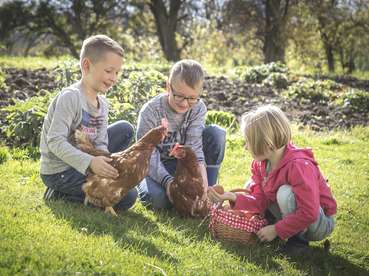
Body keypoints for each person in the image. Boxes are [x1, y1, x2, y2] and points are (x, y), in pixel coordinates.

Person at [208, 105, 337, 255]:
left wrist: (277, 230)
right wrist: (233, 197)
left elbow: (309, 212)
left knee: (285, 193)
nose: (245, 147)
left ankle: (299, 241)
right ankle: (271, 226)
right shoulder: (261, 164)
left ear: (268, 145)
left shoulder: (299, 166)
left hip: (318, 222)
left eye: (248, 142)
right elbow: (260, 200)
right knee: (251, 185)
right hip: (298, 214)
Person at [40, 34, 137, 211]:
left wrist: (105, 166)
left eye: (117, 73)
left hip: (84, 158)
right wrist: (90, 163)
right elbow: (54, 141)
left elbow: (100, 142)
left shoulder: (103, 104)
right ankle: (59, 193)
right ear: (86, 65)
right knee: (128, 197)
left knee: (125, 129)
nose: (114, 78)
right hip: (59, 170)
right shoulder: (71, 97)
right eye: (109, 71)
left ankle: (79, 190)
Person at [136, 59, 226, 210]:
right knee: (159, 201)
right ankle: (146, 186)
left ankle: (209, 191)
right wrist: (169, 183)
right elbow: (147, 154)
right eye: (179, 96)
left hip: (181, 166)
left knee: (216, 134)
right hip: (153, 165)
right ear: (168, 87)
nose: (185, 103)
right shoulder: (150, 111)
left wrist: (202, 185)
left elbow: (195, 147)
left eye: (191, 98)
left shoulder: (198, 108)